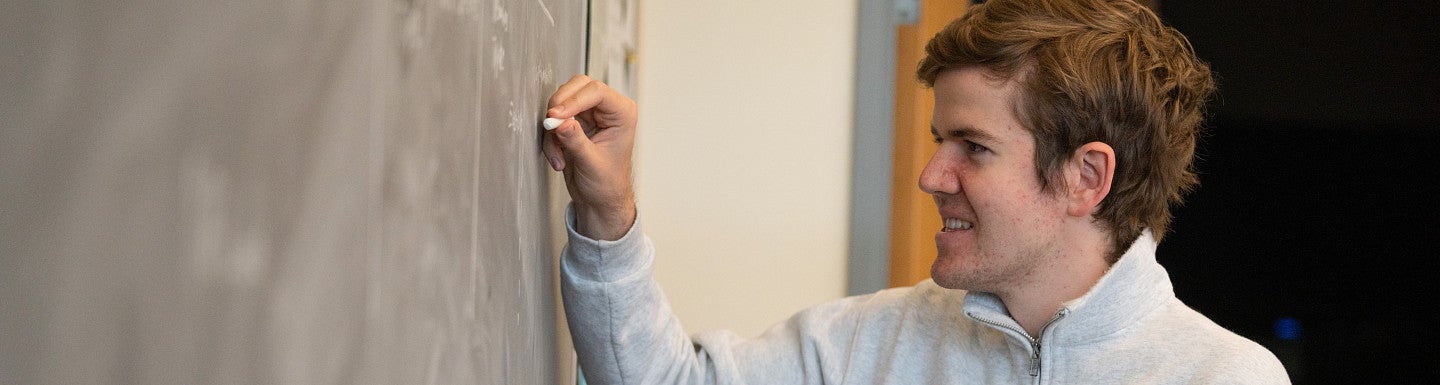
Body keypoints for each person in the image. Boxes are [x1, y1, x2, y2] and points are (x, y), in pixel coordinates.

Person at [541, 0, 1290, 383]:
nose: (934, 176)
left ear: (1086, 176)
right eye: (940, 142)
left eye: (974, 148)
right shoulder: (876, 342)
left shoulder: (1224, 378)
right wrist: (608, 216)